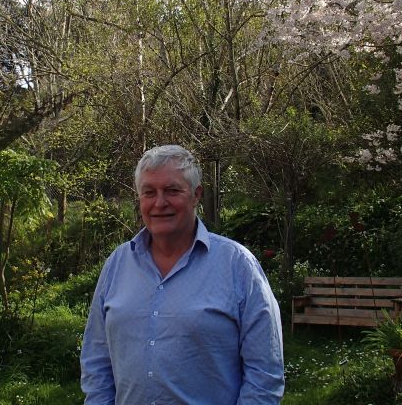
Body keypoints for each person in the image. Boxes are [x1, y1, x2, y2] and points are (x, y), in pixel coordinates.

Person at [80, 144, 285, 405]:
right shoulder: (117, 264)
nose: (160, 202)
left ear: (196, 195)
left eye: (172, 190)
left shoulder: (237, 265)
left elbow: (265, 373)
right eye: (149, 192)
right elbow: (96, 361)